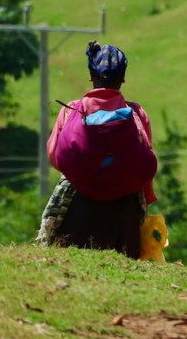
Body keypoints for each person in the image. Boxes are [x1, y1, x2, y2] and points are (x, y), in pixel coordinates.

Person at [36, 41, 158, 258]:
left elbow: (55, 156)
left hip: (77, 199)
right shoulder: (137, 114)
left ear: (91, 75)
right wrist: (145, 198)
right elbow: (145, 161)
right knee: (125, 267)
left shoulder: (71, 110)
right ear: (122, 78)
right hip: (126, 208)